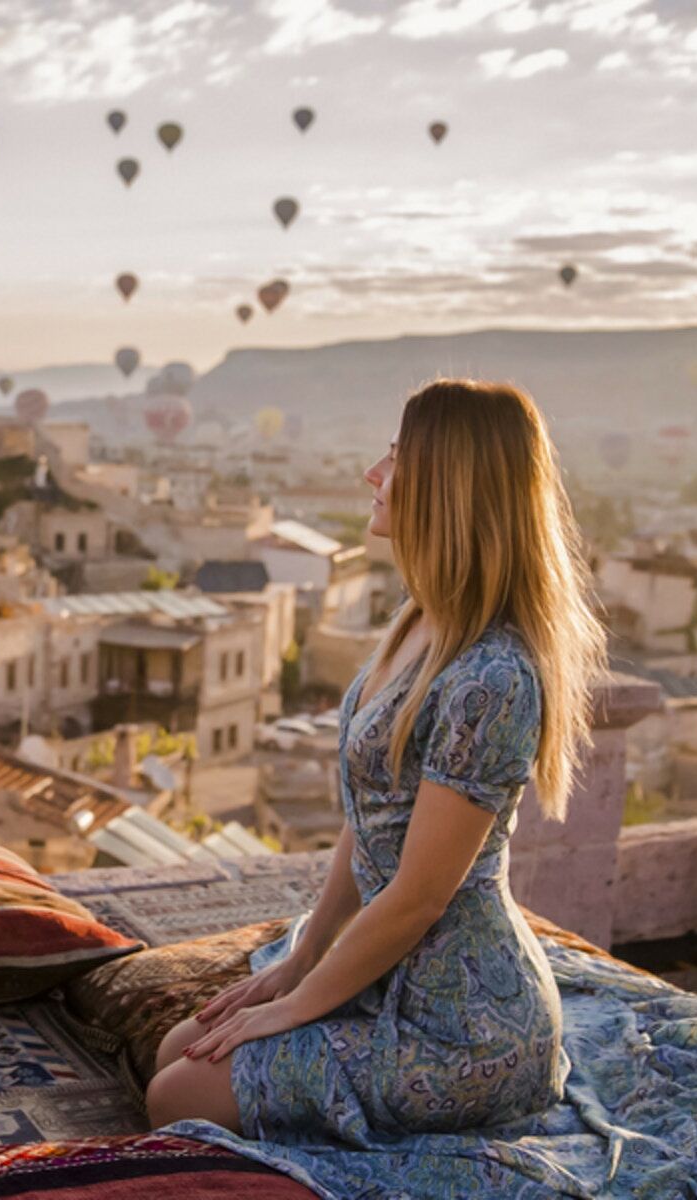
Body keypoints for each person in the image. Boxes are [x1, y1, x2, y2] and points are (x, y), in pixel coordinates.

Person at [147, 378, 607, 1140]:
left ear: (446, 486)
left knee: (176, 1096)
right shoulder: (419, 618)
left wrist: (298, 1006)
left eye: (395, 458)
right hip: (385, 971)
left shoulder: (492, 678)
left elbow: (419, 896)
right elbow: (369, 821)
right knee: (173, 1054)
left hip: (463, 1025)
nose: (373, 473)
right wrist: (301, 961)